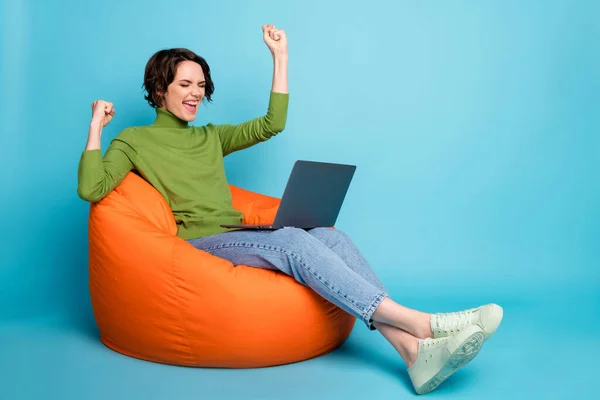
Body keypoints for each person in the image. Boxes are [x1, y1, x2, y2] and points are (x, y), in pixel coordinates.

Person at [77, 24, 503, 395]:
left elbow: (271, 123)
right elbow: (91, 187)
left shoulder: (210, 136)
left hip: (236, 232)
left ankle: (412, 353)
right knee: (292, 241)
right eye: (185, 84)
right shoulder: (134, 140)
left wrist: (280, 56)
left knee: (330, 235)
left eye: (201, 85)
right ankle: (422, 325)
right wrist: (97, 127)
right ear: (158, 89)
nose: (195, 94)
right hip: (199, 244)